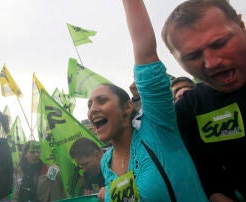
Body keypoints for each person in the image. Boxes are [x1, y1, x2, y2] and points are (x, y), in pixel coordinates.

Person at [87, 0, 208, 201]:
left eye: (101, 100)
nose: (92, 110)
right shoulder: (105, 163)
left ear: (127, 107)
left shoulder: (157, 128)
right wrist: (107, 193)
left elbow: (146, 55)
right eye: (90, 105)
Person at [161, 0, 246, 201]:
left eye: (220, 43)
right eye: (193, 55)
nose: (212, 62)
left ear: (242, 27)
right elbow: (211, 183)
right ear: (176, 59)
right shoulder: (187, 111)